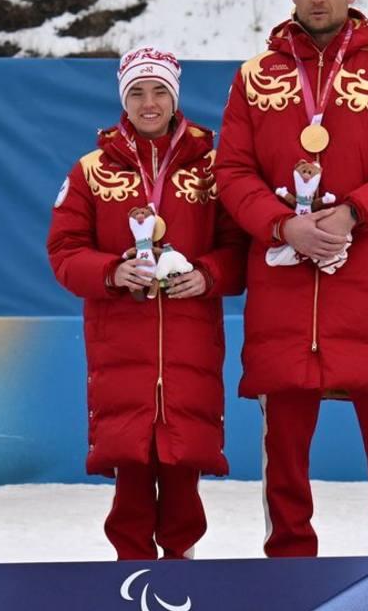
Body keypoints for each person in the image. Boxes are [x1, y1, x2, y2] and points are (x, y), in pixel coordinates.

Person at [215, 0, 368, 557]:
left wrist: (353, 212)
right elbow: (232, 171)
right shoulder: (254, 76)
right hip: (284, 283)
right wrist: (281, 225)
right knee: (283, 438)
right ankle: (289, 556)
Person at [47, 46, 246, 560]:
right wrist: (112, 271)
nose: (149, 102)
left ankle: (183, 577)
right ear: (123, 99)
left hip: (191, 347)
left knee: (183, 479)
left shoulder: (215, 167)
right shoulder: (90, 171)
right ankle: (129, 582)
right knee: (130, 486)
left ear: (175, 97)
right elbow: (64, 252)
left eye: (159, 90)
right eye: (137, 91)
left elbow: (240, 250)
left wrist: (207, 276)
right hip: (121, 351)